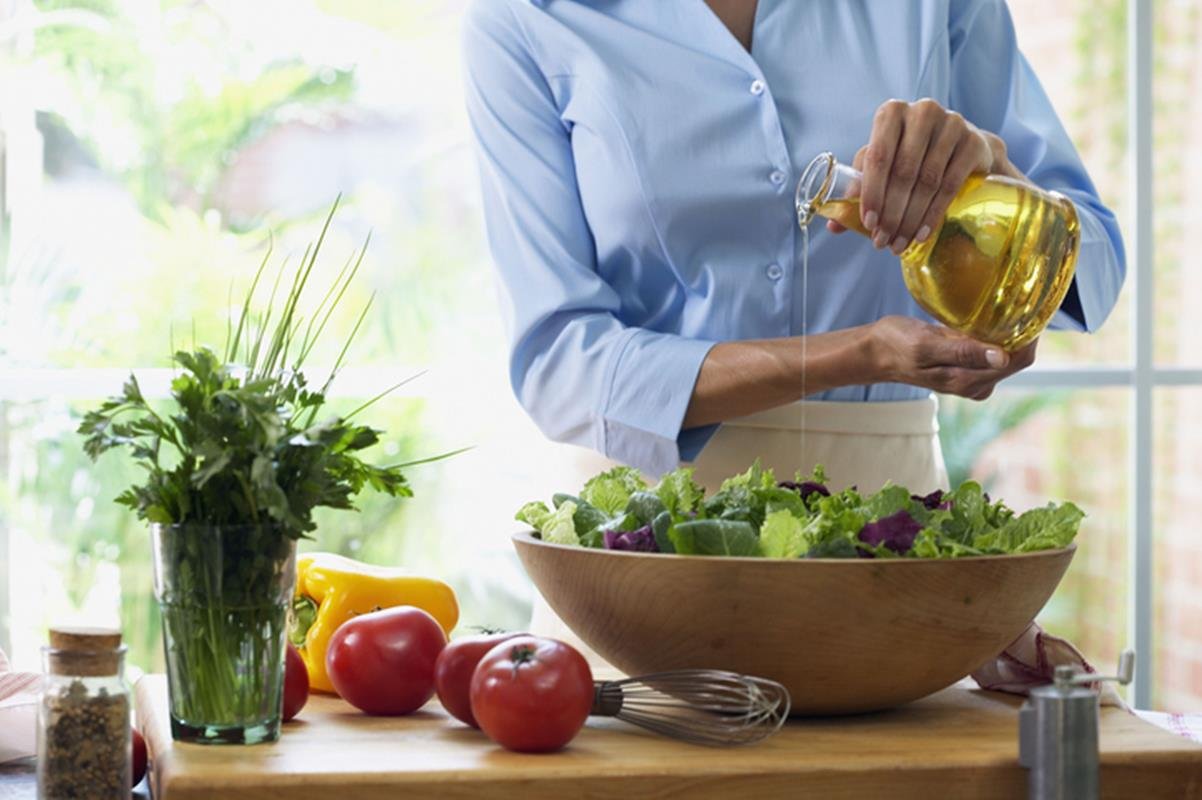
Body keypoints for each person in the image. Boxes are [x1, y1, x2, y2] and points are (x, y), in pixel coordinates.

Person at [462, 0, 1124, 500]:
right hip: (646, 549)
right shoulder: (525, 17)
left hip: (893, 530)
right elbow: (558, 363)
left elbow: (1094, 260)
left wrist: (999, 181)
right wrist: (858, 355)